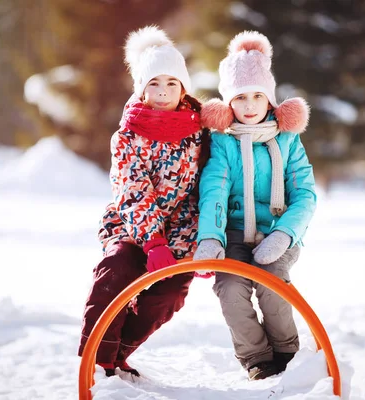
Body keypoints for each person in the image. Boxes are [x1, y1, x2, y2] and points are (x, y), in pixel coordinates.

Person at [78, 26, 209, 378]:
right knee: (117, 270)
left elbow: (201, 192)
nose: (163, 92)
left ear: (183, 87)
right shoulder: (127, 135)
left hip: (179, 230)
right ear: (141, 88)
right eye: (154, 83)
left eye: (171, 83)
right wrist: (151, 241)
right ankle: (99, 360)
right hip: (132, 224)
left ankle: (119, 352)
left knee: (171, 291)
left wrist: (202, 243)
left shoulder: (199, 132)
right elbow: (132, 190)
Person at [194, 31, 317, 381]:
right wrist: (212, 238)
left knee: (271, 282)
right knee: (231, 288)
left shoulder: (288, 140)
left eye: (257, 96)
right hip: (233, 232)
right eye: (240, 97)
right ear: (228, 103)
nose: (249, 106)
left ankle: (287, 352)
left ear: (270, 99)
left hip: (278, 231)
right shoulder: (224, 142)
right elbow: (214, 191)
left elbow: (305, 194)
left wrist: (284, 235)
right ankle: (257, 357)